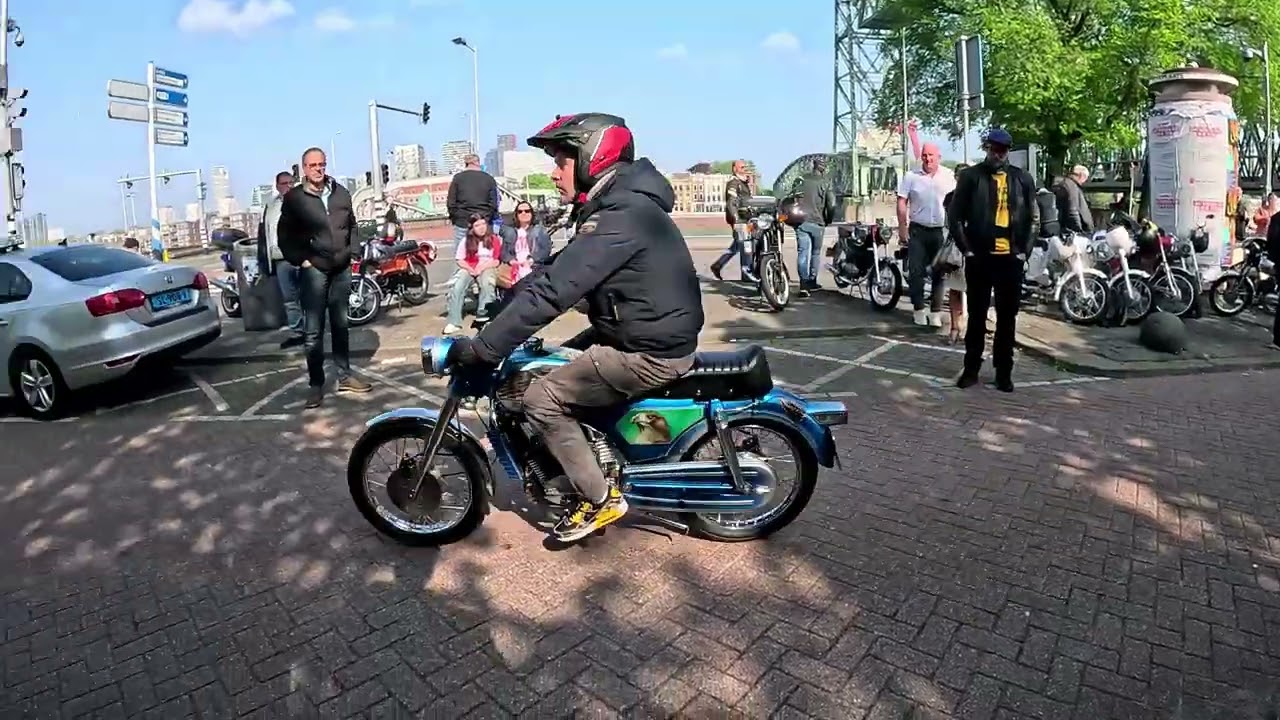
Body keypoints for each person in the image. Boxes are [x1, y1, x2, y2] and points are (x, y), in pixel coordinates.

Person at [447, 113, 704, 543]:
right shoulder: (622, 206)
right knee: (546, 361)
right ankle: (587, 455)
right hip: (638, 333)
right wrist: (512, 302)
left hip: (647, 350)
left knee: (540, 398)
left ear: (592, 158)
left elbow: (554, 292)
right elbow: (558, 273)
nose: (554, 172)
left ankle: (599, 499)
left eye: (561, 161)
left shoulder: (622, 214)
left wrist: (483, 349)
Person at [277, 147, 372, 408]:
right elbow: (284, 236)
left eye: (322, 164)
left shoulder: (340, 192)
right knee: (313, 330)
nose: (318, 169)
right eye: (313, 165)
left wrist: (354, 253)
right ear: (304, 169)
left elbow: (352, 225)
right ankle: (316, 384)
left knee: (341, 324)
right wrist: (302, 260)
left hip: (341, 268)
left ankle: (344, 375)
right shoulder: (296, 198)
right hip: (314, 270)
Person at [948, 128, 1038, 392]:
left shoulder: (1022, 179)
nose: (997, 155)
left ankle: (1003, 372)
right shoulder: (970, 177)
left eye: (1002, 150)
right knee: (976, 317)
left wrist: (1025, 251)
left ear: (1008, 151)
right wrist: (968, 250)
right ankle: (971, 369)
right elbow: (954, 217)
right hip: (980, 257)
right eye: (993, 149)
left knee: (1007, 318)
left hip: (1011, 258)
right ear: (987, 149)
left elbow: (1033, 219)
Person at [896, 142, 955, 326]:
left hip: (940, 231)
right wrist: (902, 227)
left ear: (939, 157)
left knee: (940, 272)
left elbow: (957, 201)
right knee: (916, 271)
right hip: (918, 230)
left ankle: (935, 311)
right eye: (924, 156)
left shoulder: (948, 176)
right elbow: (901, 201)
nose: (928, 159)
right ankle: (919, 309)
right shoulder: (911, 176)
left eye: (931, 155)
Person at [261, 170, 302, 348]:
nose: (288, 187)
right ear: (277, 186)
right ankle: (297, 332)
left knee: (308, 296)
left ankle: (313, 332)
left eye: (291, 183)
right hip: (280, 259)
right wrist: (265, 258)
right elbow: (266, 233)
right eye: (284, 183)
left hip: (301, 257)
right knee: (290, 299)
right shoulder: (271, 206)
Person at [443, 213, 503, 334]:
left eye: (483, 224)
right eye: (477, 225)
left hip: (487, 266)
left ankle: (483, 317)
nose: (481, 227)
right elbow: (460, 259)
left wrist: (483, 267)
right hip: (468, 267)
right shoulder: (466, 241)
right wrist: (470, 269)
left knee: (487, 283)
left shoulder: (494, 240)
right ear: (472, 228)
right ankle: (454, 321)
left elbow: (497, 260)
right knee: (458, 285)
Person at [793, 158, 839, 297]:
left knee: (803, 252)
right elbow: (831, 204)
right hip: (818, 222)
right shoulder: (826, 182)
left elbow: (792, 197)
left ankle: (803, 284)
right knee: (815, 253)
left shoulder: (801, 180)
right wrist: (828, 220)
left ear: (813, 166)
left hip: (801, 221)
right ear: (823, 168)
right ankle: (812, 281)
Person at [709, 160, 757, 283]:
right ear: (735, 169)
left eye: (745, 167)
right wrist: (735, 219)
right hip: (739, 219)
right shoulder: (733, 183)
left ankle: (718, 265)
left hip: (746, 219)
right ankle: (746, 272)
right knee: (746, 245)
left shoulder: (743, 183)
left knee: (737, 245)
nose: (744, 168)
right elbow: (731, 202)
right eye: (742, 167)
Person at [446, 154, 498, 247]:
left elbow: (451, 202)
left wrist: (456, 218)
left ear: (466, 163)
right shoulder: (489, 178)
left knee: (462, 254)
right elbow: (494, 203)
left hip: (463, 221)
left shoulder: (458, 178)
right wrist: (486, 218)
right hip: (483, 221)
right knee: (485, 253)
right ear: (477, 162)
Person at [942, 164, 968, 344]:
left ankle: (971, 328)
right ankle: (954, 327)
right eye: (959, 176)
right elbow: (948, 224)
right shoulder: (950, 198)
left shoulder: (979, 197)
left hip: (975, 248)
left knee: (975, 291)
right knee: (955, 289)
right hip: (957, 249)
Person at [499, 201, 553, 287]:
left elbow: (546, 249)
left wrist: (532, 260)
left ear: (532, 213)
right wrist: (511, 260)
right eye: (520, 211)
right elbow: (503, 252)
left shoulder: (539, 230)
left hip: (533, 266)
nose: (523, 213)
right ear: (516, 214)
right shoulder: (510, 232)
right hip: (514, 268)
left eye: (527, 211)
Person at [1054, 165, 1094, 236]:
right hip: (1073, 232)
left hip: (1063, 227)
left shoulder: (1064, 184)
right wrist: (1079, 230)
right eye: (1086, 178)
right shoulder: (1071, 186)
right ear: (1081, 175)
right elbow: (1073, 211)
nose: (1085, 182)